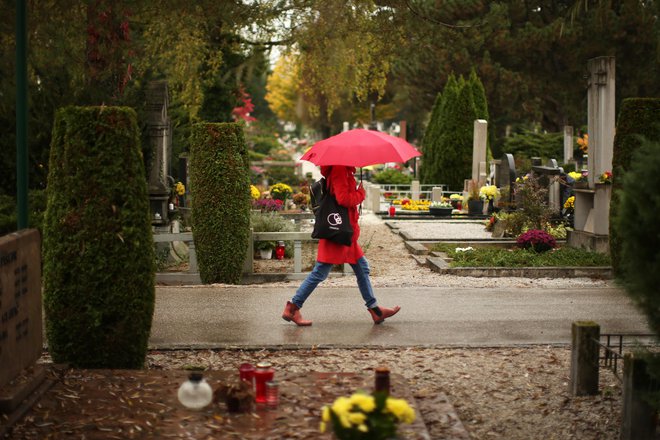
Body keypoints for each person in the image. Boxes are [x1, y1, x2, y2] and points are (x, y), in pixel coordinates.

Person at [281, 165, 401, 326]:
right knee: (320, 272)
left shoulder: (344, 169)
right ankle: (293, 307)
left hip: (344, 231)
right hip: (338, 233)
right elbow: (343, 198)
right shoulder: (339, 169)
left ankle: (375, 310)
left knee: (362, 268)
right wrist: (360, 193)